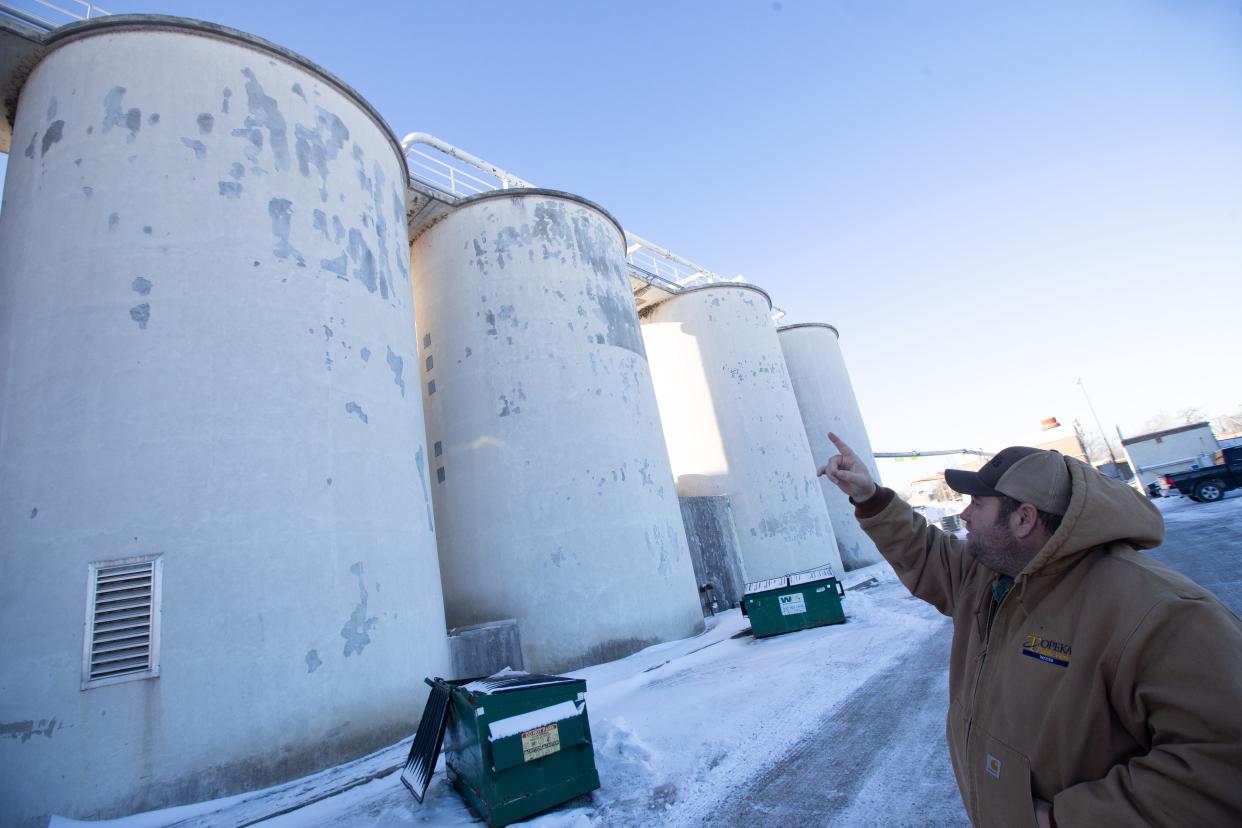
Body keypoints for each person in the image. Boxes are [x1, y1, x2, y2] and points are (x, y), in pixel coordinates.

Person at [820, 432, 1242, 827]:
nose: (963, 514)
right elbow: (927, 552)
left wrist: (1068, 820)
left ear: (1023, 518)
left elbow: (1223, 760)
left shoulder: (1160, 610)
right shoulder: (993, 573)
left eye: (977, 504)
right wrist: (868, 495)